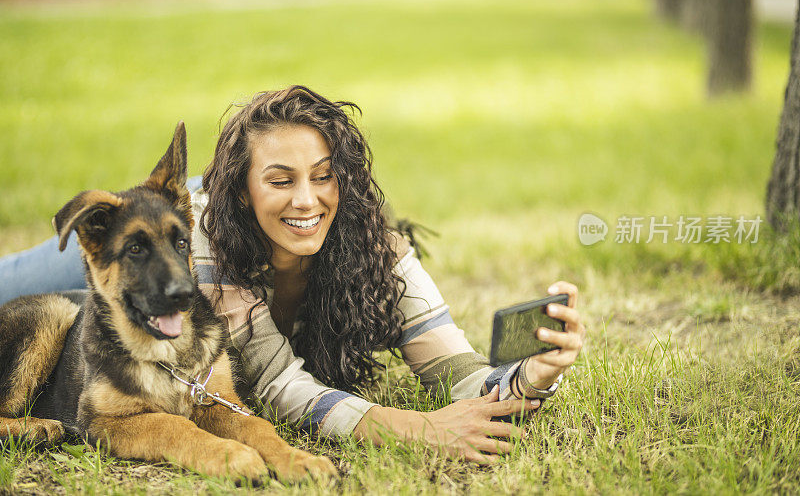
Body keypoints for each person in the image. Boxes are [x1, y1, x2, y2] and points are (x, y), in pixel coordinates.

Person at [0, 86, 586, 463]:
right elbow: (283, 389)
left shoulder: (373, 247)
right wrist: (415, 428)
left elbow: (454, 370)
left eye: (322, 176)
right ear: (242, 188)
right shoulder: (207, 253)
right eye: (281, 180)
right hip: (136, 251)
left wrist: (533, 375)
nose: (307, 200)